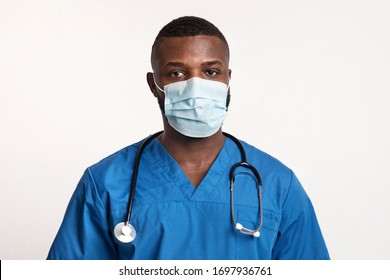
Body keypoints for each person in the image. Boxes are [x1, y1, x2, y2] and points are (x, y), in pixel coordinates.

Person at [47, 16, 330, 260]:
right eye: (177, 73)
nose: (195, 85)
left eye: (210, 72)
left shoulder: (277, 184)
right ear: (153, 84)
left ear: (227, 79)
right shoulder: (105, 183)